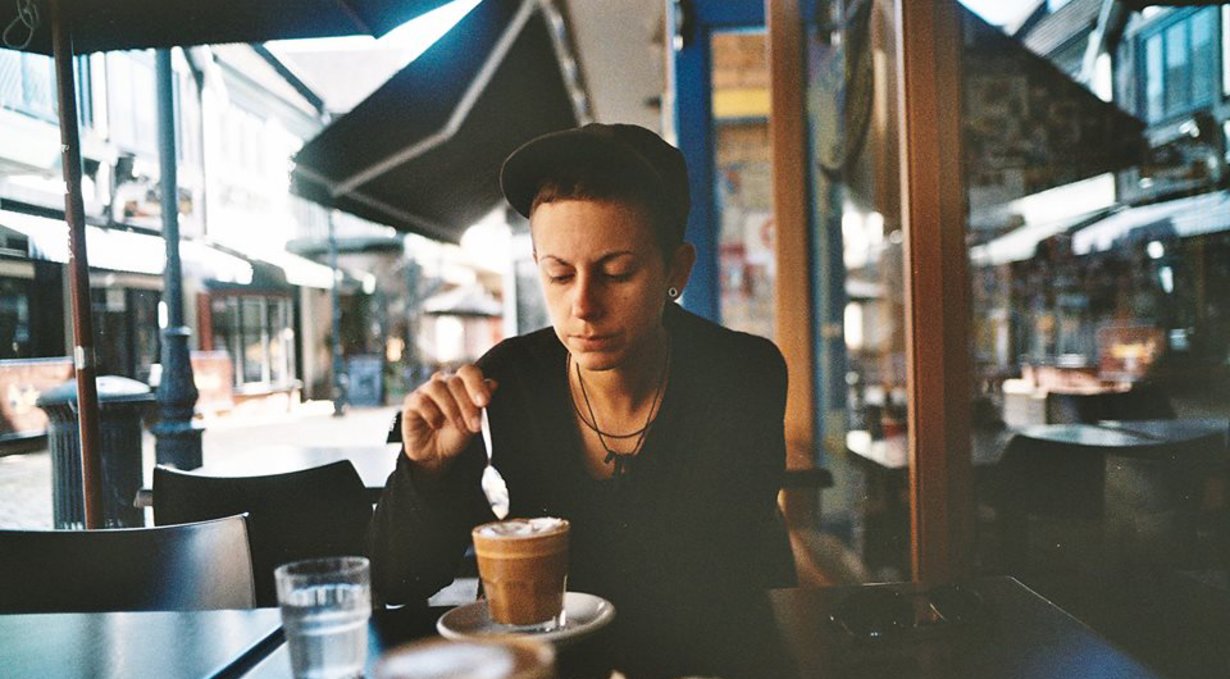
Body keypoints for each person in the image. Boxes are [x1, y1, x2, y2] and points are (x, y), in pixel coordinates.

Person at [367, 123, 795, 675]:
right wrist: (429, 472)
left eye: (617, 272)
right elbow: (401, 581)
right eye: (559, 274)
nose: (583, 305)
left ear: (676, 270)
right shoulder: (505, 380)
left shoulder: (740, 375)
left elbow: (713, 577)